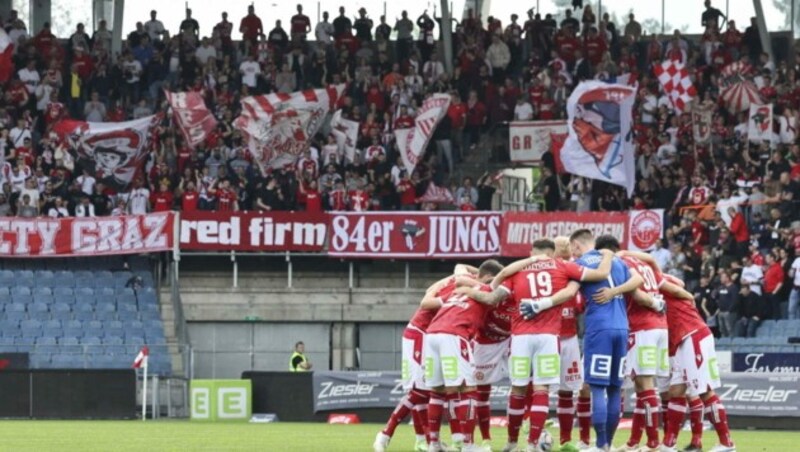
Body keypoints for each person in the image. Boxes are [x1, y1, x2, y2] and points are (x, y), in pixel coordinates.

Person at [459, 239, 613, 452]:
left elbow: (492, 298)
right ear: (552, 253)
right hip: (548, 337)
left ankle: (511, 443)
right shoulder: (562, 266)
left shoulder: (517, 271)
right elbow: (600, 275)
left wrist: (470, 292)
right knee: (542, 389)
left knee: (518, 388)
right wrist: (607, 255)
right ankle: (532, 445)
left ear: (533, 252)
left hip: (521, 337)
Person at [374, 265, 475, 452]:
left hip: (429, 334)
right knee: (421, 391)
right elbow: (426, 303)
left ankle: (428, 441)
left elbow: (451, 274)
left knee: (436, 390)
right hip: (421, 333)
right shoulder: (457, 291)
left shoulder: (452, 282)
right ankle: (386, 433)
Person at [569, 230, 644, 451]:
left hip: (599, 329)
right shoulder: (618, 260)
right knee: (614, 389)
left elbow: (570, 292)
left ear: (575, 245)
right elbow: (638, 279)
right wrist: (616, 291)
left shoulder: (581, 263)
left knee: (597, 388)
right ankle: (608, 444)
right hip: (622, 328)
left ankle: (600, 443)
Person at [420, 259, 504, 452]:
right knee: (468, 389)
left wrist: (475, 277)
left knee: (438, 390)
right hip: (454, 334)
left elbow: (459, 270)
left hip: (432, 334)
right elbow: (493, 293)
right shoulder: (485, 289)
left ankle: (433, 443)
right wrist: (488, 280)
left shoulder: (462, 285)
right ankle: (468, 445)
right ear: (491, 278)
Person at [599, 245, 669, 452]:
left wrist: (654, 303)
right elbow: (650, 259)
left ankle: (654, 443)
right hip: (659, 327)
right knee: (642, 386)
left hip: (642, 327)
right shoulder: (642, 261)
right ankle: (634, 441)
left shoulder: (621, 263)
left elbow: (636, 293)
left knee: (645, 384)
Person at [658, 273, 737, 452]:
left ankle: (726, 443)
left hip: (692, 334)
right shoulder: (661, 281)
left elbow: (677, 284)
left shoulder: (655, 280)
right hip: (682, 339)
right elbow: (680, 281)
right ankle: (668, 445)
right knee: (676, 390)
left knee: (704, 391)